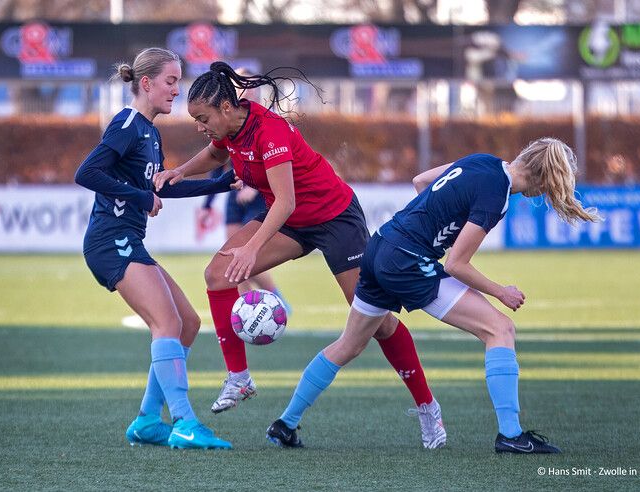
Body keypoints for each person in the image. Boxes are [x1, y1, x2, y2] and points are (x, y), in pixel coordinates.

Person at [153, 61, 446, 449]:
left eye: (203, 118)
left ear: (227, 108)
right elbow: (215, 153)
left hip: (335, 219)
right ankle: (239, 378)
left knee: (377, 321)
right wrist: (178, 173)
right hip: (290, 221)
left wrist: (252, 247)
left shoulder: (269, 131)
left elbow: (286, 201)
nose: (199, 125)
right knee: (218, 275)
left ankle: (428, 408)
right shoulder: (230, 128)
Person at [267, 138, 601, 453]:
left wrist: (435, 225)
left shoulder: (483, 161)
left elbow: (420, 181)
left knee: (349, 345)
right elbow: (457, 264)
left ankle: (285, 423)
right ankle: (511, 435)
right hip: (406, 262)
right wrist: (502, 292)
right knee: (499, 329)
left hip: (380, 244)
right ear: (545, 179)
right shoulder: (497, 195)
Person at [74, 48, 236, 450]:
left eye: (178, 81)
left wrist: (221, 182)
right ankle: (184, 421)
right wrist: (139, 197)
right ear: (145, 83)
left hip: (128, 240)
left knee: (187, 322)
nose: (176, 90)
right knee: (166, 324)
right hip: (110, 241)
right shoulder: (128, 122)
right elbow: (87, 173)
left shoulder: (150, 132)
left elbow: (160, 187)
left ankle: (148, 420)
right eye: (170, 81)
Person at [199, 165, 292, 311]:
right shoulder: (223, 142)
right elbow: (217, 166)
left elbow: (271, 163)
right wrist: (207, 205)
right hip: (235, 193)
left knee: (247, 257)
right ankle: (247, 308)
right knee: (231, 258)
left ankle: (278, 301)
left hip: (260, 195)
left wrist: (254, 187)